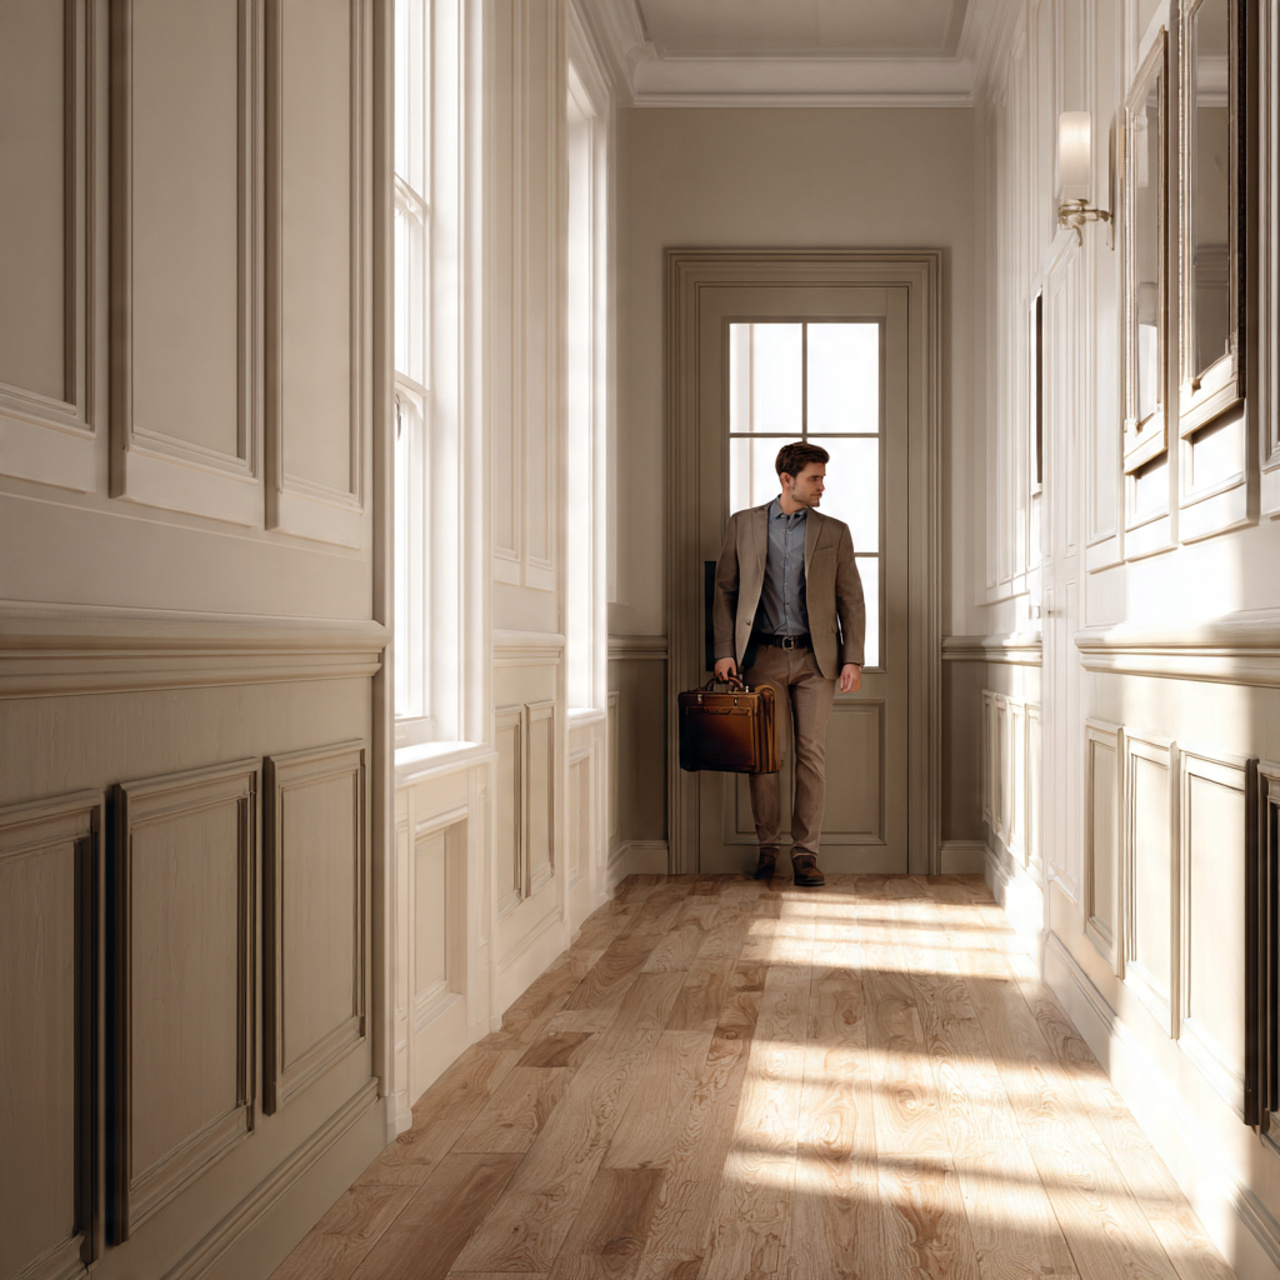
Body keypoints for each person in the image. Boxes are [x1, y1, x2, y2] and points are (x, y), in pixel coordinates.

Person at [712, 441, 865, 887]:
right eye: (814, 478)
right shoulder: (743, 525)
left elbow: (850, 598)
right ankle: (767, 850)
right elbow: (724, 590)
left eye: (821, 477)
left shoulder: (834, 532)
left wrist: (852, 656)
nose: (822, 486)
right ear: (787, 480)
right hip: (758, 659)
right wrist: (725, 651)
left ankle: (805, 854)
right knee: (764, 758)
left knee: (811, 756)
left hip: (816, 661)